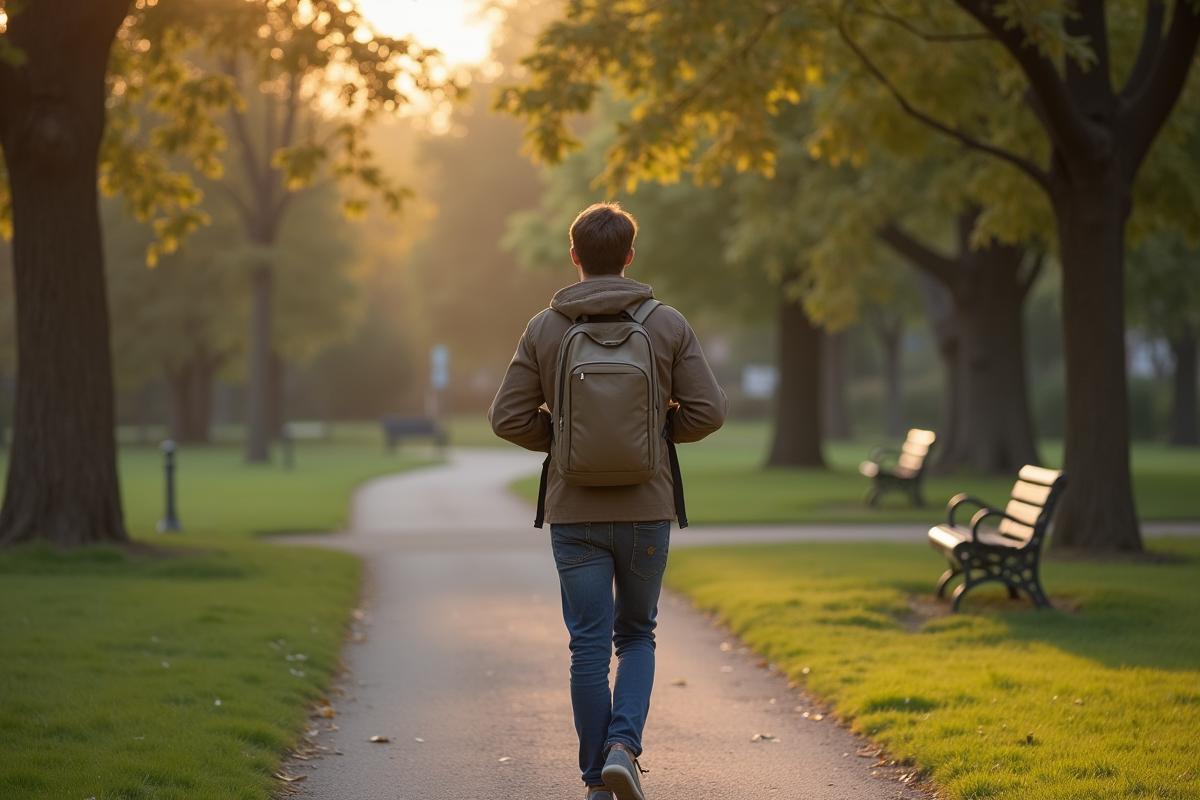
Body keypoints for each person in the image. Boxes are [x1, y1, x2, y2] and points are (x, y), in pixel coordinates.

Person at [489, 202, 728, 800]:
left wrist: (564, 441)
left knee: (588, 647)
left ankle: (598, 781)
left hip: (575, 513)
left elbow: (506, 417)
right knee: (638, 634)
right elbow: (709, 411)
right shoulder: (667, 324)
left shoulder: (545, 328)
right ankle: (624, 747)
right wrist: (656, 432)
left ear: (574, 255)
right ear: (628, 256)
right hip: (647, 507)